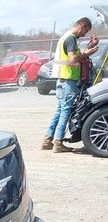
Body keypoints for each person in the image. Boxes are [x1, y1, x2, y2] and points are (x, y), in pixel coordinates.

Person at [41, 17, 100, 153]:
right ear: (81, 26)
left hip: (61, 80)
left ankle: (47, 140)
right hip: (67, 80)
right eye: (85, 31)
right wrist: (86, 54)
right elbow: (73, 59)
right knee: (66, 111)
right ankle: (58, 143)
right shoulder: (71, 38)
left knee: (59, 110)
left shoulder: (65, 38)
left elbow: (73, 55)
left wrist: (89, 47)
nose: (84, 35)